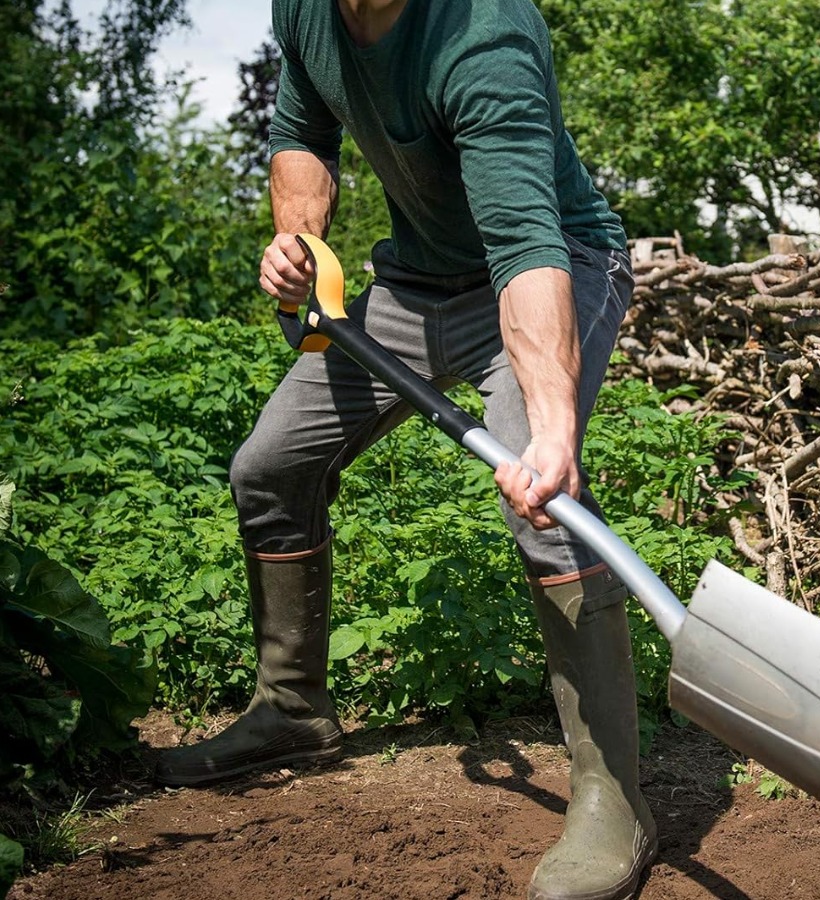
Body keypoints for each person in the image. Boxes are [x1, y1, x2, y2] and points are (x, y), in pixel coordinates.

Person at [153, 1, 656, 898]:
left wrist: (550, 426)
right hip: (416, 286)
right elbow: (302, 130)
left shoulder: (484, 35)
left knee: (539, 491)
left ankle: (613, 797)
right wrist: (298, 240)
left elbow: (523, 241)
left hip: (555, 265)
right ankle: (293, 710)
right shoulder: (305, 8)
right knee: (270, 468)